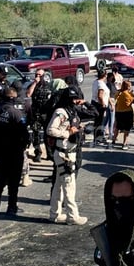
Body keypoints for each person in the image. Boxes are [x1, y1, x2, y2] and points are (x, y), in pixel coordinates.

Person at [46, 84, 88, 225]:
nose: (77, 101)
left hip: (68, 152)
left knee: (59, 186)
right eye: (75, 99)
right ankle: (72, 216)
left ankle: (55, 214)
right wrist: (67, 133)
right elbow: (50, 130)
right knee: (69, 186)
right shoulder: (61, 112)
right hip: (64, 154)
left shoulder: (70, 111)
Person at [0, 81, 29, 217]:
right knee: (13, 181)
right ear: (13, 98)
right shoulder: (15, 113)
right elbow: (24, 133)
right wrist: (24, 146)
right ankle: (12, 207)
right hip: (14, 151)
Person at [27, 69, 53, 163]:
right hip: (36, 114)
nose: (38, 77)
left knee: (48, 134)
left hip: (46, 114)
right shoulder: (33, 85)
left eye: (40, 75)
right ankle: (38, 153)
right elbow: (29, 94)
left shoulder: (49, 85)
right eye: (36, 75)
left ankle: (50, 154)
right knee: (36, 134)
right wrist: (34, 83)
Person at [111, 81, 134, 150]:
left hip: (118, 112)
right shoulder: (128, 94)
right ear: (127, 87)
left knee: (118, 127)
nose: (130, 87)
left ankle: (113, 140)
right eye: (129, 86)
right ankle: (124, 143)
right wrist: (132, 94)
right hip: (127, 113)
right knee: (127, 129)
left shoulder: (118, 93)